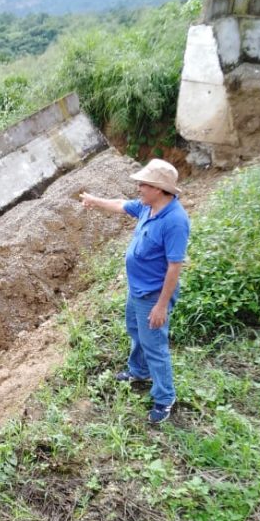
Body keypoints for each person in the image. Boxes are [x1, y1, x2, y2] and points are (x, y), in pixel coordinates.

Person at [79, 158, 190, 424]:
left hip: (153, 294)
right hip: (137, 289)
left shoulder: (174, 221)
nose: (138, 188)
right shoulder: (147, 207)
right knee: (135, 329)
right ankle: (139, 371)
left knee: (155, 346)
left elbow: (175, 267)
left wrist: (161, 306)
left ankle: (165, 398)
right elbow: (120, 204)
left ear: (159, 189)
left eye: (143, 184)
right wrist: (94, 201)